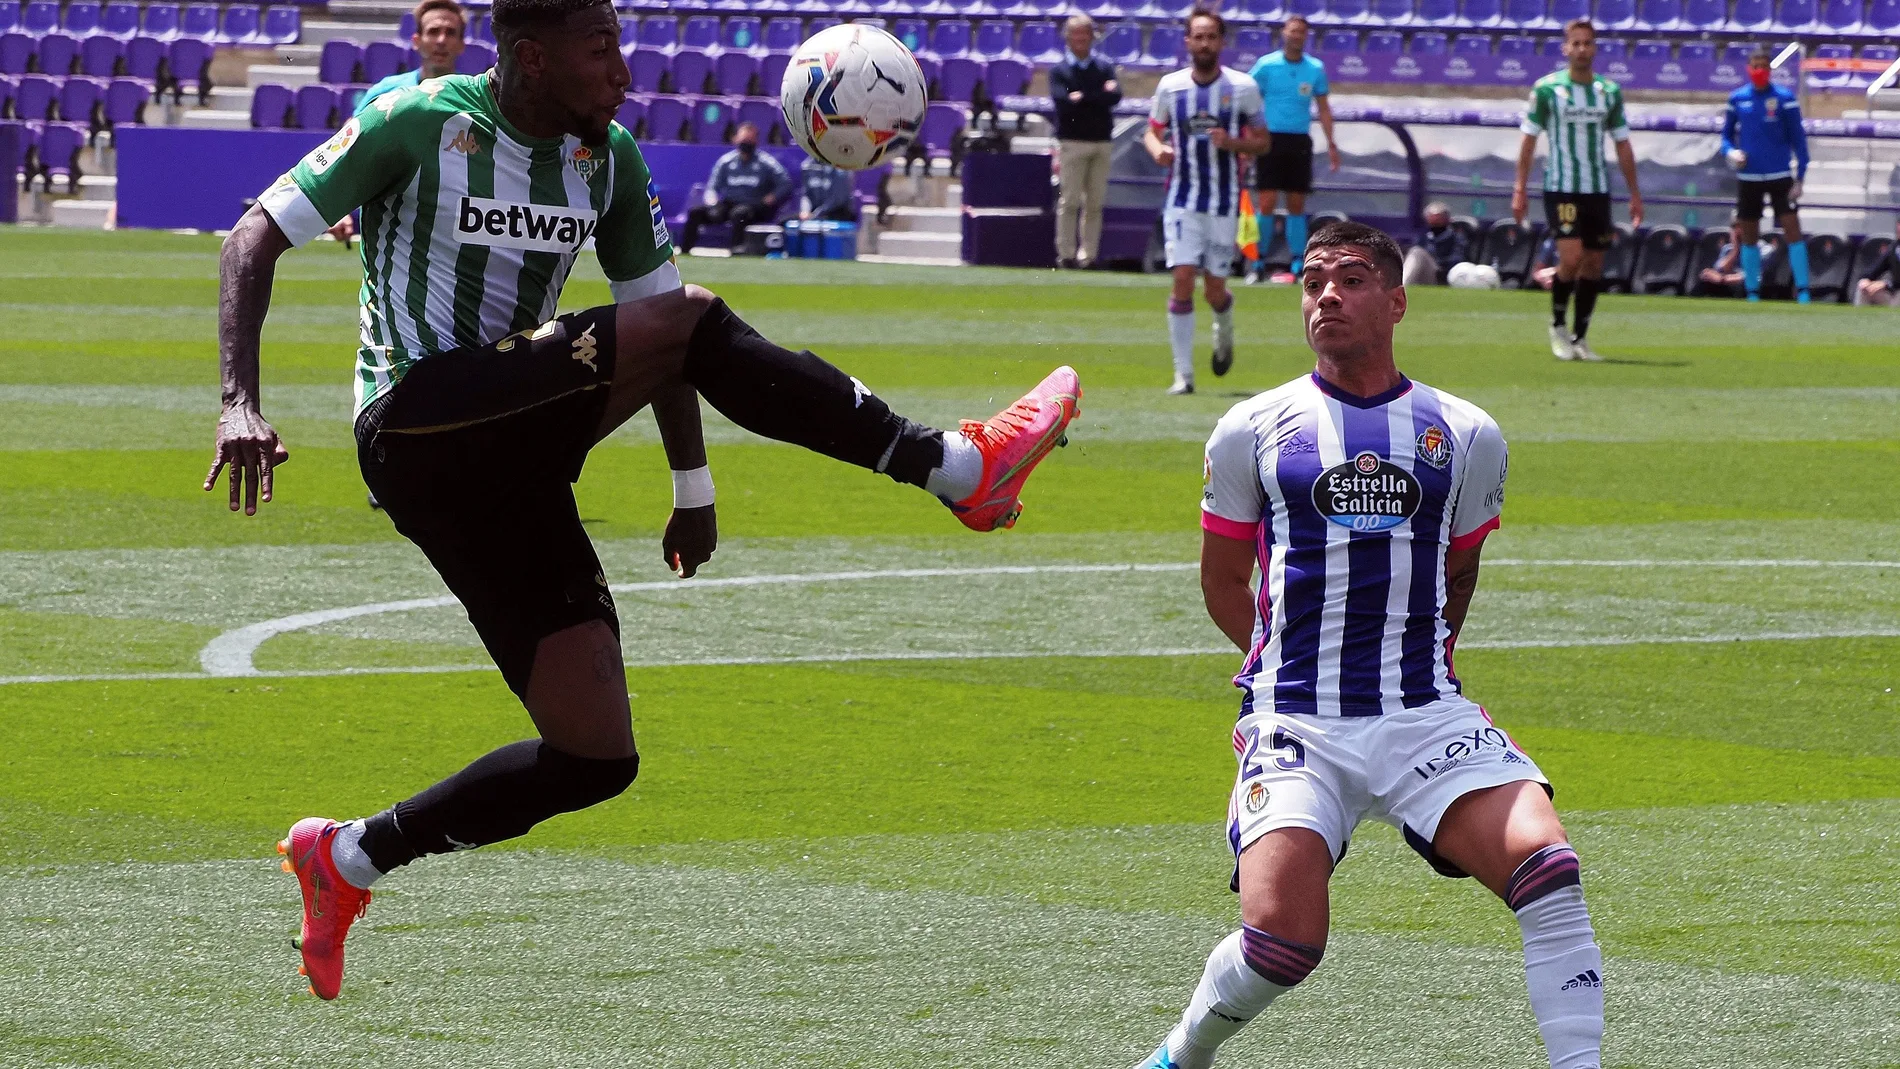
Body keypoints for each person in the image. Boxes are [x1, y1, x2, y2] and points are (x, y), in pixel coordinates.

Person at [209, 0, 1081, 1001]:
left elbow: (655, 330)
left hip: (515, 458)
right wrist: (239, 404)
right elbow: (251, 238)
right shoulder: (422, 121)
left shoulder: (607, 159)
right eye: (602, 51)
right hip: (415, 425)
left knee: (594, 754)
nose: (624, 72)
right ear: (533, 58)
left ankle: (349, 858)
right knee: (695, 316)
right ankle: (955, 468)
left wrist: (692, 482)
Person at [1132, 221, 1602, 1069]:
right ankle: (1181, 1055)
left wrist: (1409, 657)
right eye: (1312, 281)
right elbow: (1220, 581)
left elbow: (1459, 573)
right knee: (1283, 944)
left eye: (1349, 279)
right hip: (1299, 719)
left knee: (1548, 866)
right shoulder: (1251, 426)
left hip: (1423, 711)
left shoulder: (1466, 433)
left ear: (1395, 300)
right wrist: (1284, 663)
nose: (1326, 296)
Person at [1144, 6, 1268, 395]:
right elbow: (1152, 131)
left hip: (1224, 201)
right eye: (1197, 36)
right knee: (1182, 278)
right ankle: (1184, 375)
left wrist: (1232, 142)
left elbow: (1263, 142)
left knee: (1214, 288)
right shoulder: (1171, 86)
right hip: (1181, 199)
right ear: (1187, 42)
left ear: (1221, 42)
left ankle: (1224, 320)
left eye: (1211, 36)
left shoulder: (1242, 87)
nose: (1204, 43)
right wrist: (1157, 150)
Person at [1512, 18, 1643, 363]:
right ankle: (1557, 325)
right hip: (1562, 188)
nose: (1582, 49)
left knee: (1594, 264)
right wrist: (1519, 188)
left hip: (1597, 189)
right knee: (1570, 258)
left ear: (1595, 48)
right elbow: (1528, 141)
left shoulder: (1608, 92)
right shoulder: (1547, 90)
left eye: (1588, 43)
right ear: (1566, 48)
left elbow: (1623, 144)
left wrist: (1634, 193)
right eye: (1576, 43)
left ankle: (1580, 337)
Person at [326, 0, 469, 247]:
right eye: (433, 32)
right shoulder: (388, 92)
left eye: (450, 33)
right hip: (389, 231)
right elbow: (347, 147)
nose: (441, 40)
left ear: (461, 45)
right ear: (417, 40)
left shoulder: (474, 97)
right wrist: (337, 209)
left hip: (453, 231)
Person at [1244, 14, 1339, 284]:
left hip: (1298, 140)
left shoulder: (1315, 69)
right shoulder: (1267, 66)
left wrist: (1331, 143)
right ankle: (1257, 262)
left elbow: (1323, 108)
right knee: (1266, 203)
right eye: (1292, 31)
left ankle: (1298, 262)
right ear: (1284, 33)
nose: (1296, 36)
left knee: (1296, 204)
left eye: (1301, 32)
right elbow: (1249, 100)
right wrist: (1248, 137)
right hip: (1270, 140)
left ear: (1306, 36)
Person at [1722, 47, 1811, 303]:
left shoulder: (1785, 98)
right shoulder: (1737, 98)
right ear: (1748, 69)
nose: (1759, 71)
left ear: (1770, 70)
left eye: (1763, 66)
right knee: (1749, 233)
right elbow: (1726, 137)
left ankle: (1803, 291)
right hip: (1748, 177)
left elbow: (1799, 139)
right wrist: (1731, 153)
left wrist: (1801, 177)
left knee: (1792, 229)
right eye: (1755, 66)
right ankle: (1752, 292)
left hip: (1780, 174)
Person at [1049, 14, 1122, 269]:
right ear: (1068, 37)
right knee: (1069, 201)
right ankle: (1066, 254)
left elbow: (1115, 98)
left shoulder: (1104, 67)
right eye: (1075, 34)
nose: (1080, 39)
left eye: (1085, 34)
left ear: (1092, 37)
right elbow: (1063, 103)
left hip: (1101, 141)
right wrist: (1099, 95)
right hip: (1072, 142)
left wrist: (1084, 98)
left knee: (1095, 203)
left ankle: (1088, 255)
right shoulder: (1060, 70)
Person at [677, 122, 791, 253]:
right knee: (695, 213)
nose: (745, 143)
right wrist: (712, 202)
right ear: (736, 139)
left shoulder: (766, 163)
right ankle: (685, 250)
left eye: (749, 140)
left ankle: (736, 250)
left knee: (739, 214)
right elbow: (712, 187)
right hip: (729, 203)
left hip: (754, 206)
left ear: (756, 141)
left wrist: (771, 198)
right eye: (743, 140)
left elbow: (785, 183)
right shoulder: (726, 162)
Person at [1401, 202, 1470, 285]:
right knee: (1415, 252)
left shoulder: (1456, 238)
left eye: (1438, 219)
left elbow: (1458, 259)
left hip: (1443, 275)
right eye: (1432, 219)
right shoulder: (1423, 238)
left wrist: (1436, 262)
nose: (1435, 223)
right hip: (1423, 275)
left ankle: (1402, 285)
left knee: (1417, 252)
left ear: (1447, 219)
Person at [1693, 217, 1750, 298]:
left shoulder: (1762, 249)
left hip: (1745, 287)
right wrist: (1736, 250)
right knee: (1705, 280)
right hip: (1728, 283)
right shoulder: (1728, 249)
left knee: (1741, 287)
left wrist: (1723, 279)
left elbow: (1752, 276)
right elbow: (1720, 270)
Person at [1856, 219, 1900, 306]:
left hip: (1896, 289)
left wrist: (1887, 284)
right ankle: (1858, 317)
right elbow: (1875, 268)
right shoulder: (1894, 248)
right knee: (1864, 289)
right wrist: (1865, 279)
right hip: (1894, 291)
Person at [799, 157, 857, 223]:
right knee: (787, 222)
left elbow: (837, 199)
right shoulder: (807, 165)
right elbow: (806, 194)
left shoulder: (842, 167)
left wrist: (816, 214)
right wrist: (805, 211)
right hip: (814, 216)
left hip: (838, 215)